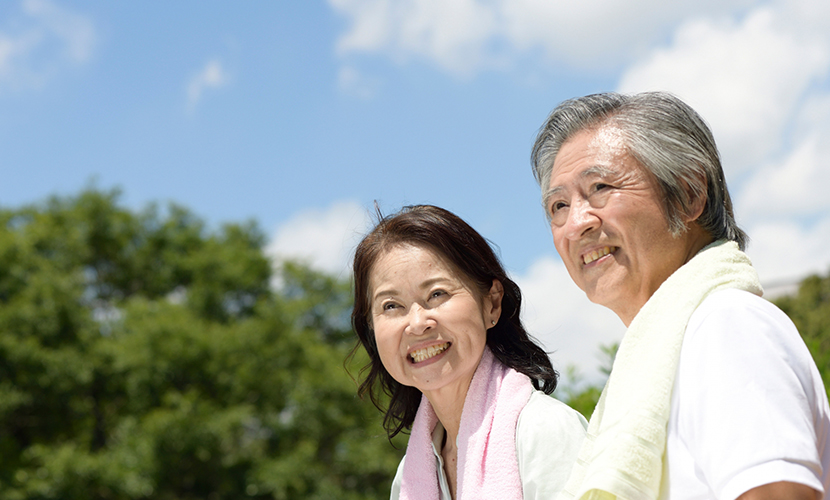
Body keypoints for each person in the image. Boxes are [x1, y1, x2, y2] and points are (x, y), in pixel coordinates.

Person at [530, 91, 830, 500]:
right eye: (558, 205)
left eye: (600, 186)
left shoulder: (727, 325)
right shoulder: (666, 355)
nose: (575, 223)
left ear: (689, 193)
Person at [350, 204, 587, 500]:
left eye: (437, 294)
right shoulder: (409, 481)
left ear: (492, 304)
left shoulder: (546, 432)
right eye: (391, 306)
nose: (417, 323)